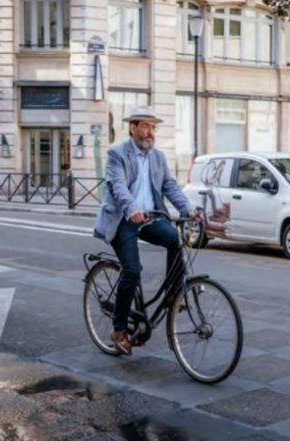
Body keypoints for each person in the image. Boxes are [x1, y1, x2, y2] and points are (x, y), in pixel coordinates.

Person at [93, 105, 199, 356]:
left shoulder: (158, 157)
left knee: (175, 239)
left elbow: (170, 187)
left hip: (150, 217)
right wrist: (131, 208)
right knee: (132, 270)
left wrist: (188, 209)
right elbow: (118, 186)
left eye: (153, 127)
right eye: (145, 126)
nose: (151, 132)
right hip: (123, 219)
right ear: (133, 128)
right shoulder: (117, 154)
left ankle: (174, 295)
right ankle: (119, 330)